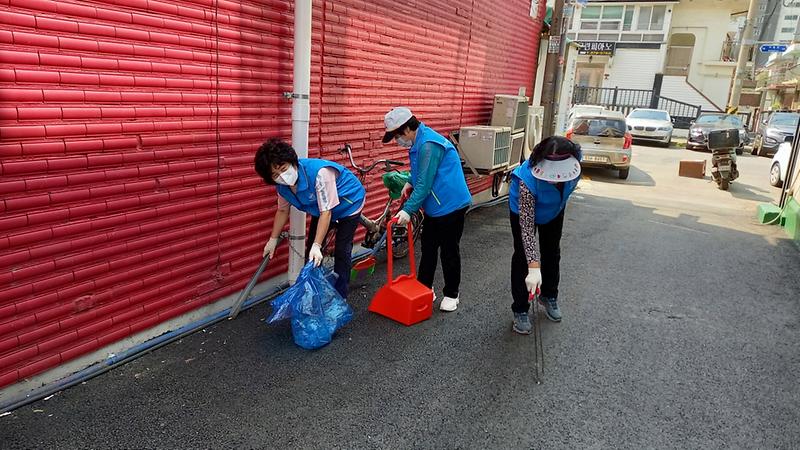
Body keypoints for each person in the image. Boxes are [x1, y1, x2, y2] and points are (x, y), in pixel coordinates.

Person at [382, 107, 472, 312]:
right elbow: (419, 172)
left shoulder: (429, 145)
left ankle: (452, 293)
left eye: (396, 136)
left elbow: (424, 184)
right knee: (428, 247)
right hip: (434, 206)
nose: (397, 141)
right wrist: (409, 181)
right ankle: (424, 288)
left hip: (451, 205)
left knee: (449, 250)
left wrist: (407, 210)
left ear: (406, 130)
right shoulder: (418, 142)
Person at [254, 138, 366, 300]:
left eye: (284, 169)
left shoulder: (320, 173)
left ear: (292, 162)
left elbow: (326, 212)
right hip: (321, 209)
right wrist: (272, 239)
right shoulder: (282, 187)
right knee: (311, 252)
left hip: (348, 203)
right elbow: (283, 210)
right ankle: (313, 292)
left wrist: (318, 245)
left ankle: (341, 296)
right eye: (275, 175)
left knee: (342, 250)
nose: (282, 177)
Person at [508, 136, 582, 334]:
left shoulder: (576, 164)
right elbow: (526, 229)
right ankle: (521, 308)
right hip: (523, 211)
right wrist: (533, 267)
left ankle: (549, 295)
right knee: (523, 256)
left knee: (552, 251)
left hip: (555, 208)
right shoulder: (526, 180)